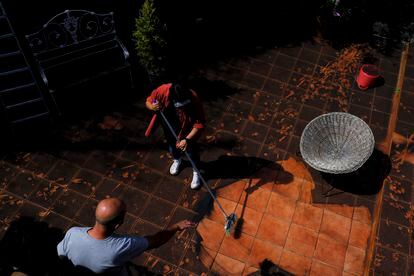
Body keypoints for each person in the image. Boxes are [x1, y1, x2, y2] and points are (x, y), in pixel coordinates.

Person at [57, 198, 195, 275]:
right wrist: (176, 226)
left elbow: (61, 255)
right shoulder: (122, 246)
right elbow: (156, 240)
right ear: (117, 224)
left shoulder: (73, 232)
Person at [146, 82, 206, 189]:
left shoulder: (194, 98)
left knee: (192, 152)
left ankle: (196, 171)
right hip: (170, 126)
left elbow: (199, 123)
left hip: (187, 130)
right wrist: (152, 106)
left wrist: (187, 140)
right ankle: (177, 159)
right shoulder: (163, 90)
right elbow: (149, 101)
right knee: (171, 146)